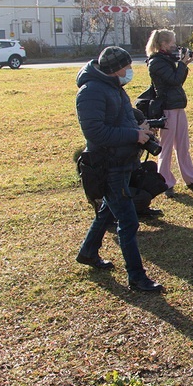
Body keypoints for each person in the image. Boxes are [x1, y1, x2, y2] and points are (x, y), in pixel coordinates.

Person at [75, 46, 163, 292]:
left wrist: (142, 125)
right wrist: (134, 135)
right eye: (127, 67)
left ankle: (88, 252)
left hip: (122, 161)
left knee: (106, 211)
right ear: (115, 70)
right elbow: (96, 132)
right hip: (108, 164)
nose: (130, 71)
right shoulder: (90, 92)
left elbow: (122, 116)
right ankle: (137, 277)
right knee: (128, 221)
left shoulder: (113, 86)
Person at [146, 29, 193, 197]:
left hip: (177, 106)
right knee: (165, 147)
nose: (175, 46)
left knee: (183, 145)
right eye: (172, 43)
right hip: (166, 108)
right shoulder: (156, 62)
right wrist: (182, 64)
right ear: (162, 44)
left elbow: (177, 82)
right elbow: (174, 80)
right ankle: (164, 182)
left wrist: (185, 63)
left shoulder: (166, 59)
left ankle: (192, 179)